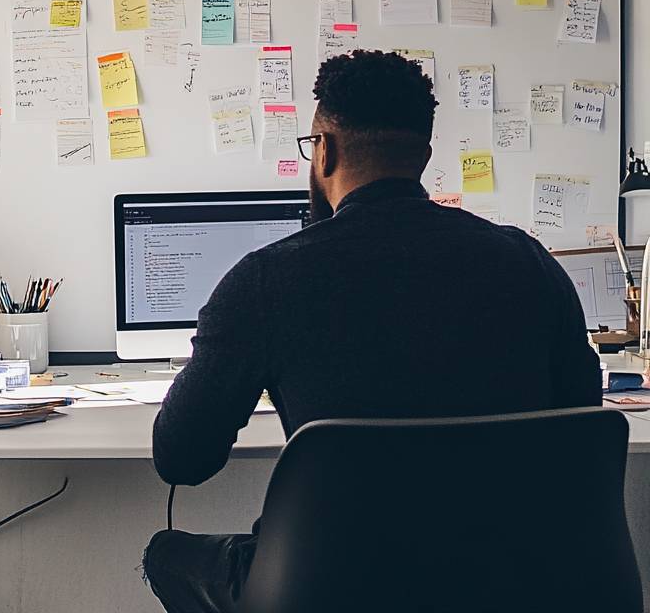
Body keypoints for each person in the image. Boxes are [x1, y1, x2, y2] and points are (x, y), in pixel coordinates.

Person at [142, 49, 601, 613]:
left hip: (325, 587)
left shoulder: (265, 279)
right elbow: (580, 416)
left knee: (163, 555)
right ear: (425, 156)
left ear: (324, 152)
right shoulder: (529, 264)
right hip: (514, 580)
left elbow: (182, 461)